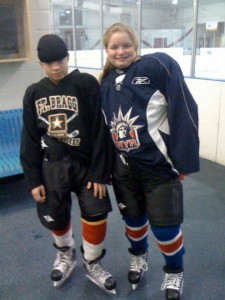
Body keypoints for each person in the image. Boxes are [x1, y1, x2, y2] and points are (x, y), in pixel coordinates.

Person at [100, 23, 199, 300]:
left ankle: (174, 271)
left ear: (135, 46)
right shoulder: (105, 84)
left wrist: (184, 160)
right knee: (133, 220)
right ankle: (138, 257)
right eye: (114, 47)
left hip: (158, 169)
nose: (121, 51)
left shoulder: (157, 66)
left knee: (166, 228)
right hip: (124, 171)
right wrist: (106, 170)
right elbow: (104, 130)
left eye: (126, 45)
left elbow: (185, 109)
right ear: (106, 50)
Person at [20, 34, 116, 294]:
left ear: (68, 57)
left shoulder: (85, 83)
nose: (56, 67)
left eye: (60, 60)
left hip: (86, 165)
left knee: (96, 212)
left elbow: (100, 130)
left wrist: (99, 172)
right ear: (40, 63)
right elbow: (29, 138)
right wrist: (33, 179)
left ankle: (92, 261)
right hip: (51, 166)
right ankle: (66, 254)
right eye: (49, 63)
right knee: (55, 215)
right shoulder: (34, 93)